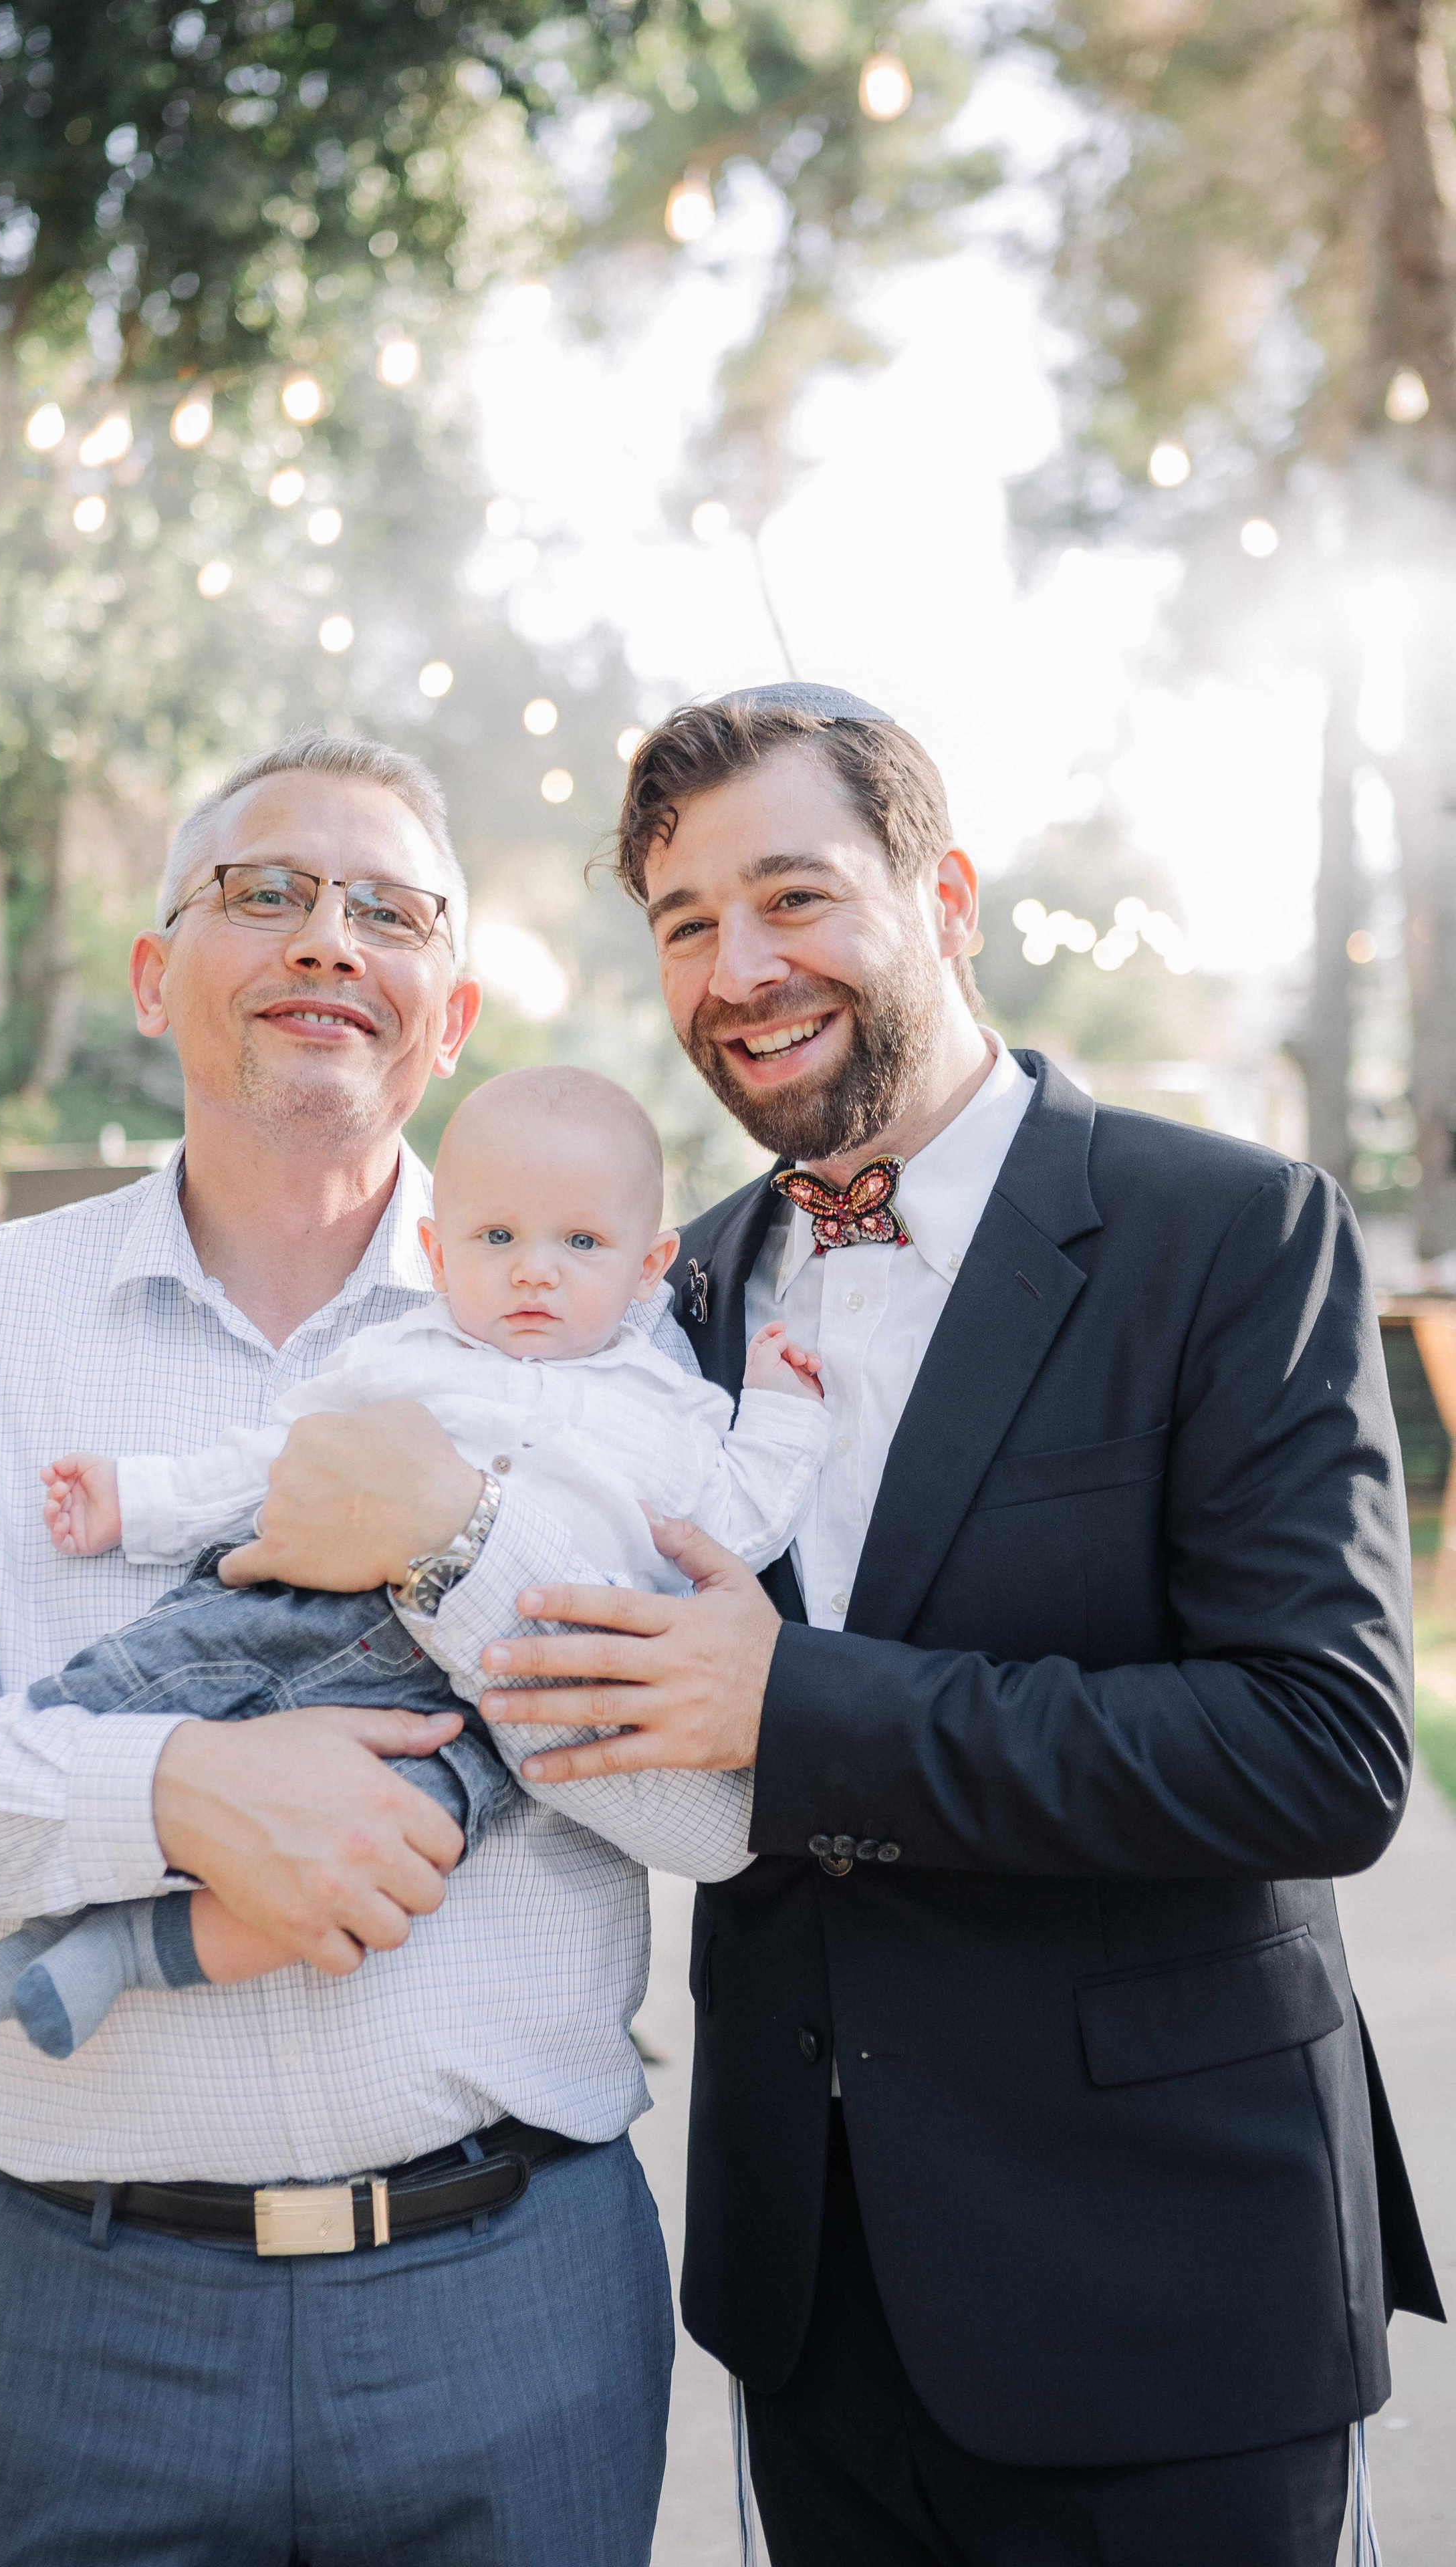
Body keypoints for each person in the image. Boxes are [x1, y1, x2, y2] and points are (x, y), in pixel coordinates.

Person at [236, 685, 1443, 2567]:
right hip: (811, 2298)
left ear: (944, 891)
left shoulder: (1234, 1234)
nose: (741, 967)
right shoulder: (662, 1282)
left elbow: (1326, 1750)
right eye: (688, 923)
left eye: (794, 897)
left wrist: (803, 1708)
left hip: (1169, 2282)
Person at [0, 729, 755, 2567]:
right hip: (84, 2313)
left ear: (447, 1017)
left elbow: (710, 1820)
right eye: (264, 891)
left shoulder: (616, 1353)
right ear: (154, 974)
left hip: (513, 2297)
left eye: (387, 910)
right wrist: (181, 1791)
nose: (325, 938)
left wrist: (453, 1544)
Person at [0, 1063, 825, 2058]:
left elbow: (737, 1526)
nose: (536, 1271)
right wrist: (138, 1501)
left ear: (649, 1264)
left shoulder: (675, 1408)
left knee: (386, 1853)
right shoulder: (409, 1356)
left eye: (581, 1242)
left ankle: (125, 1955)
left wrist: (783, 1409)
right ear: (439, 1253)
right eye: (498, 1239)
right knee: (161, 1664)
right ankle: (33, 1899)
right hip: (314, 1613)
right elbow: (277, 1459)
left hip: (484, 1713)